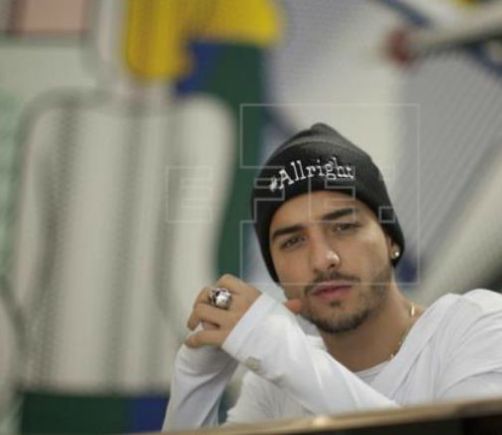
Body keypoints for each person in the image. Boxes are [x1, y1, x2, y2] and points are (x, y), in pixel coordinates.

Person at [163, 123, 502, 431]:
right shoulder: (276, 382)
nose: (323, 259)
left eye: (344, 227)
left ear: (390, 240)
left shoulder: (477, 325)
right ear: (277, 274)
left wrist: (281, 351)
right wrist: (196, 380)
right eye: (293, 241)